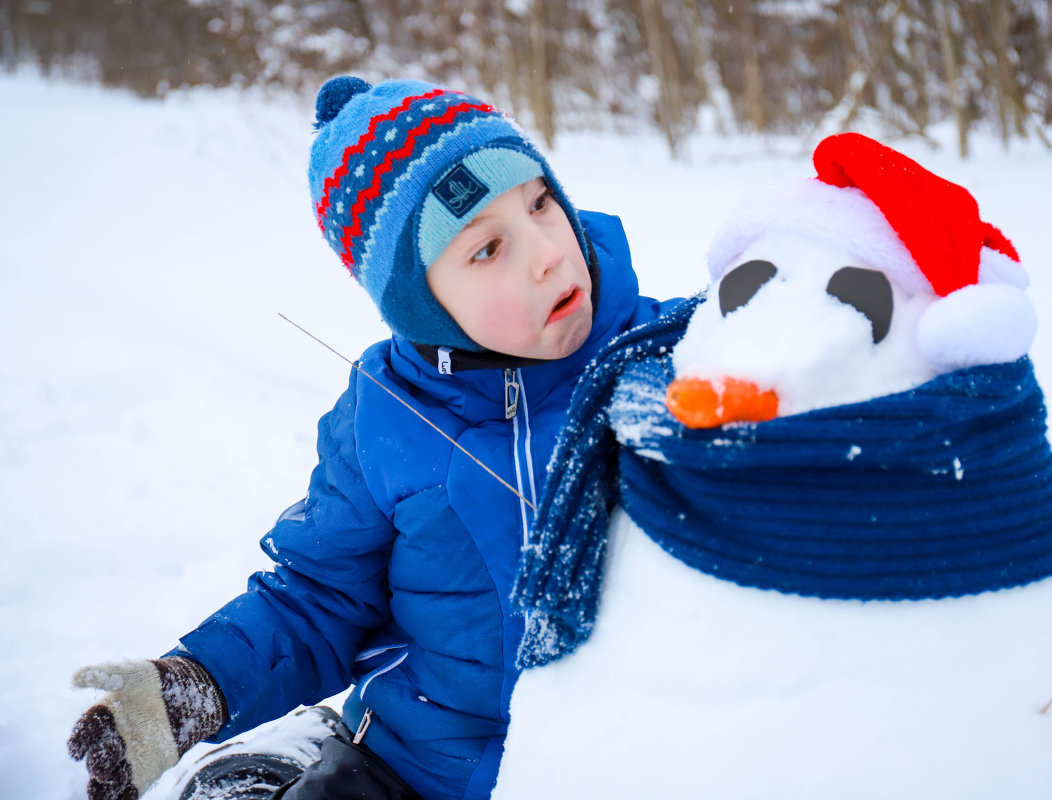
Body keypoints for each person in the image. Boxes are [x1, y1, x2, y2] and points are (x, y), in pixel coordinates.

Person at [66, 75, 679, 800]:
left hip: (637, 751)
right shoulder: (385, 419)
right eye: (486, 249)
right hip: (424, 765)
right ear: (421, 304)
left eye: (541, 203)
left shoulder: (678, 352)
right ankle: (295, 763)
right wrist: (192, 689)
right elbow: (319, 598)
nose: (546, 251)